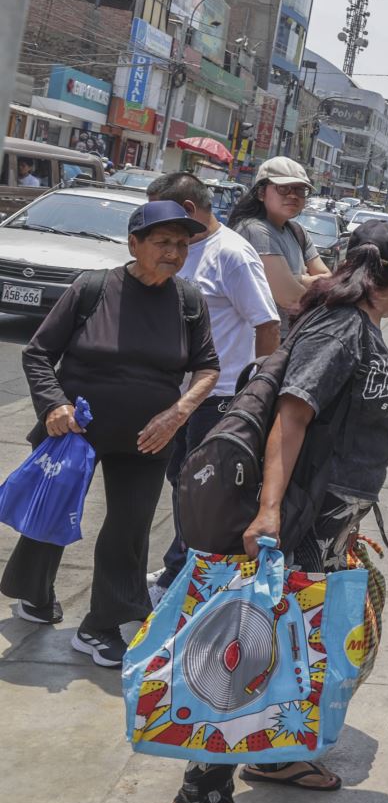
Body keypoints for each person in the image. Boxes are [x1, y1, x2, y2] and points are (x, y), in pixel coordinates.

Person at [164, 220, 388, 803]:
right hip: (299, 521)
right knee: (256, 648)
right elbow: (293, 414)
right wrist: (270, 512)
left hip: (329, 524)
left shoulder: (358, 324)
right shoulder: (343, 327)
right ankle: (200, 795)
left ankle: (275, 753)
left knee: (307, 645)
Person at [1, 202, 219, 665]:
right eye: (162, 242)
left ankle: (102, 625)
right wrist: (55, 404)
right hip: (76, 429)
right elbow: (38, 354)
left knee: (130, 526)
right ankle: (34, 595)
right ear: (134, 243)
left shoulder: (188, 301)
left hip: (149, 436)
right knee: (52, 511)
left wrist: (178, 413)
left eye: (181, 244)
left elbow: (207, 368)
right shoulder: (93, 288)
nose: (174, 252)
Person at [144, 173, 282, 602]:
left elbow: (268, 323)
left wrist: (256, 390)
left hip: (219, 397)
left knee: (203, 491)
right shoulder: (178, 250)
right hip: (174, 394)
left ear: (187, 210)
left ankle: (182, 576)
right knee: (179, 482)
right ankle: (178, 565)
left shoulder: (232, 255)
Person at [228, 156, 329, 332]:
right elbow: (292, 299)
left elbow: (328, 279)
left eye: (299, 190)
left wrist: (297, 279)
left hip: (290, 336)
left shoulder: (297, 231)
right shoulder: (255, 230)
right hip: (260, 343)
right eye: (283, 188)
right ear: (261, 192)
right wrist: (304, 278)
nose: (292, 195)